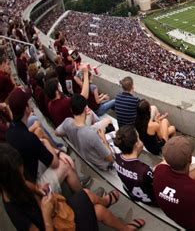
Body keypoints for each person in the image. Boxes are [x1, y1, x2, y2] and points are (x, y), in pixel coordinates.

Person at [0, 143, 145, 231]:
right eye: (20, 174)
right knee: (98, 211)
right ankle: (124, 228)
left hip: (57, 212)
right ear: (10, 179)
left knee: (87, 193)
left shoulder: (14, 184)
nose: (23, 177)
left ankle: (106, 201)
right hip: (56, 224)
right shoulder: (14, 211)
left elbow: (27, 184)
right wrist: (46, 214)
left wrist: (38, 188)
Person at [5, 87, 84, 193]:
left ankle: (74, 181)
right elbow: (54, 163)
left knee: (58, 154)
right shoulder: (28, 137)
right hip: (34, 186)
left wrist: (58, 152)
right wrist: (46, 142)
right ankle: (84, 197)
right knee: (66, 165)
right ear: (26, 109)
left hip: (26, 175)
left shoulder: (10, 131)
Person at [55, 94, 114, 171]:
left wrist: (69, 132)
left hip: (87, 154)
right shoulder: (91, 134)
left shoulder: (67, 122)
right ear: (86, 109)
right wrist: (103, 138)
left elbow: (56, 133)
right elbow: (110, 158)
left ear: (71, 110)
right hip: (104, 165)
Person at [113, 125, 156, 205]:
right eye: (139, 138)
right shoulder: (144, 171)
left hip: (133, 193)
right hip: (151, 200)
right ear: (136, 144)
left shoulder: (117, 158)